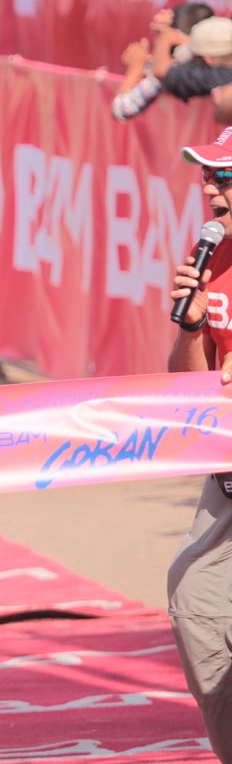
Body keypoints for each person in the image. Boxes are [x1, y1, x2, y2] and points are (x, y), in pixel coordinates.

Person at [166, 124, 232, 763]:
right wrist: (191, 326)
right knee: (195, 602)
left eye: (227, 175)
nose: (213, 187)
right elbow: (185, 390)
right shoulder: (216, 257)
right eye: (209, 173)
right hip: (227, 482)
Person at [111, 2, 213, 122]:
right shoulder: (219, 63)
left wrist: (135, 69)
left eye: (161, 39)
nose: (158, 43)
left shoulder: (174, 70)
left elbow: (121, 109)